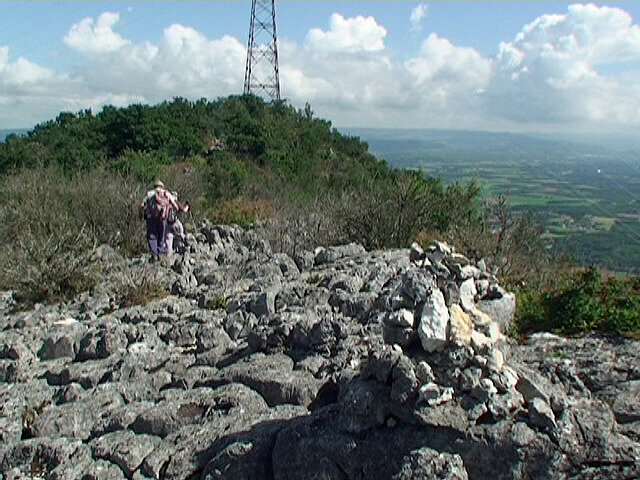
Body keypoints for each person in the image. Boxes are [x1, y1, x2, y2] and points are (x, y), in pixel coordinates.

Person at [140, 180, 184, 262]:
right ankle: (160, 253)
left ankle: (154, 254)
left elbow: (142, 205)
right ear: (162, 186)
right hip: (163, 218)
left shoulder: (149, 193)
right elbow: (176, 206)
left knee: (152, 236)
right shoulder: (166, 193)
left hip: (151, 218)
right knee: (162, 236)